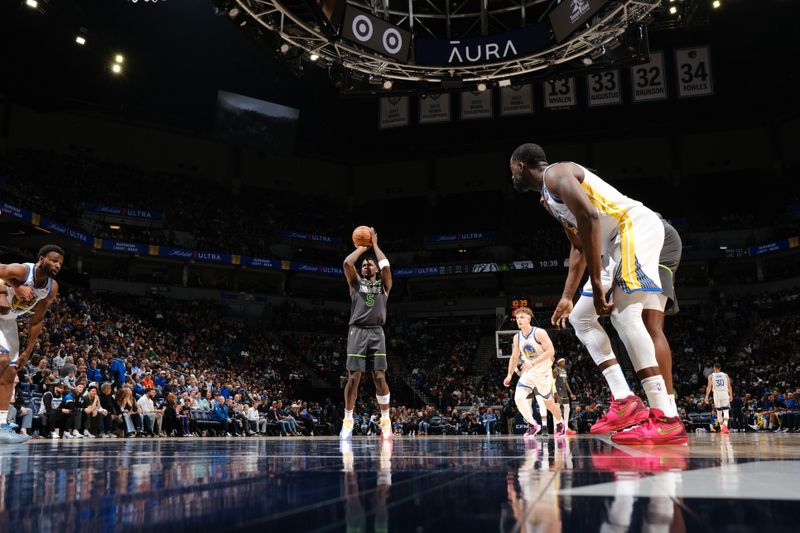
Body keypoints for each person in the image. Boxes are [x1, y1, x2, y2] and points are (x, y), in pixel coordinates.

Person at [510, 144, 686, 444]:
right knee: (580, 318)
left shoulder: (557, 173)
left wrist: (595, 276)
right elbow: (579, 245)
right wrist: (567, 296)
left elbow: (591, 217)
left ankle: (665, 417)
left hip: (633, 228)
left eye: (511, 168)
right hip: (609, 248)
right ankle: (625, 400)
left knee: (624, 315)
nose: (511, 175)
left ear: (521, 165)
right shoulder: (548, 199)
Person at [0, 245, 63, 443]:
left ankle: (1, 425)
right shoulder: (22, 270)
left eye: (60, 263)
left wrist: (27, 351)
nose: (57, 265)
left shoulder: (51, 287)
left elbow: (37, 320)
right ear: (41, 258)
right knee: (1, 358)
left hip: (8, 321)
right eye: (54, 260)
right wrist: (10, 290)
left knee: (11, 372)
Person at [340, 227, 393, 440]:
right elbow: (346, 264)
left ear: (376, 269)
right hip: (357, 331)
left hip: (376, 332)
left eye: (369, 263)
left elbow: (386, 265)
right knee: (354, 378)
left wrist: (376, 245)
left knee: (379, 376)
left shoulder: (384, 284)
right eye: (363, 264)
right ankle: (348, 420)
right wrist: (362, 248)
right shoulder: (355, 284)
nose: (365, 265)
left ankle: (386, 420)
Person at [503, 307, 566, 439]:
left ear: (529, 319)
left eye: (522, 317)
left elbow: (550, 351)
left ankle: (560, 422)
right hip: (529, 372)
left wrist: (532, 362)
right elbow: (514, 357)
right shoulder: (517, 337)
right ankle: (533, 425)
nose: (519, 320)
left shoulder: (539, 333)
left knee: (549, 403)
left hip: (543, 371)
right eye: (517, 318)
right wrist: (509, 374)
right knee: (518, 398)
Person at [705, 362, 733, 434]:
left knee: (719, 411)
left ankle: (721, 428)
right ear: (720, 368)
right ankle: (725, 426)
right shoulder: (725, 375)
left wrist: (706, 397)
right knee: (726, 411)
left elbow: (709, 387)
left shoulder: (711, 376)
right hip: (724, 393)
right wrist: (731, 395)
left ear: (714, 368)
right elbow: (729, 386)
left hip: (716, 394)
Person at [554, 358, 577, 435]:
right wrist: (555, 392)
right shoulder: (555, 370)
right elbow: (552, 382)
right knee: (557, 409)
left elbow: (566, 383)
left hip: (564, 391)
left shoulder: (564, 371)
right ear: (558, 363)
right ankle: (556, 428)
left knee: (567, 408)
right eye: (562, 361)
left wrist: (571, 393)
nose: (564, 362)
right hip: (558, 389)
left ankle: (566, 428)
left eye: (564, 361)